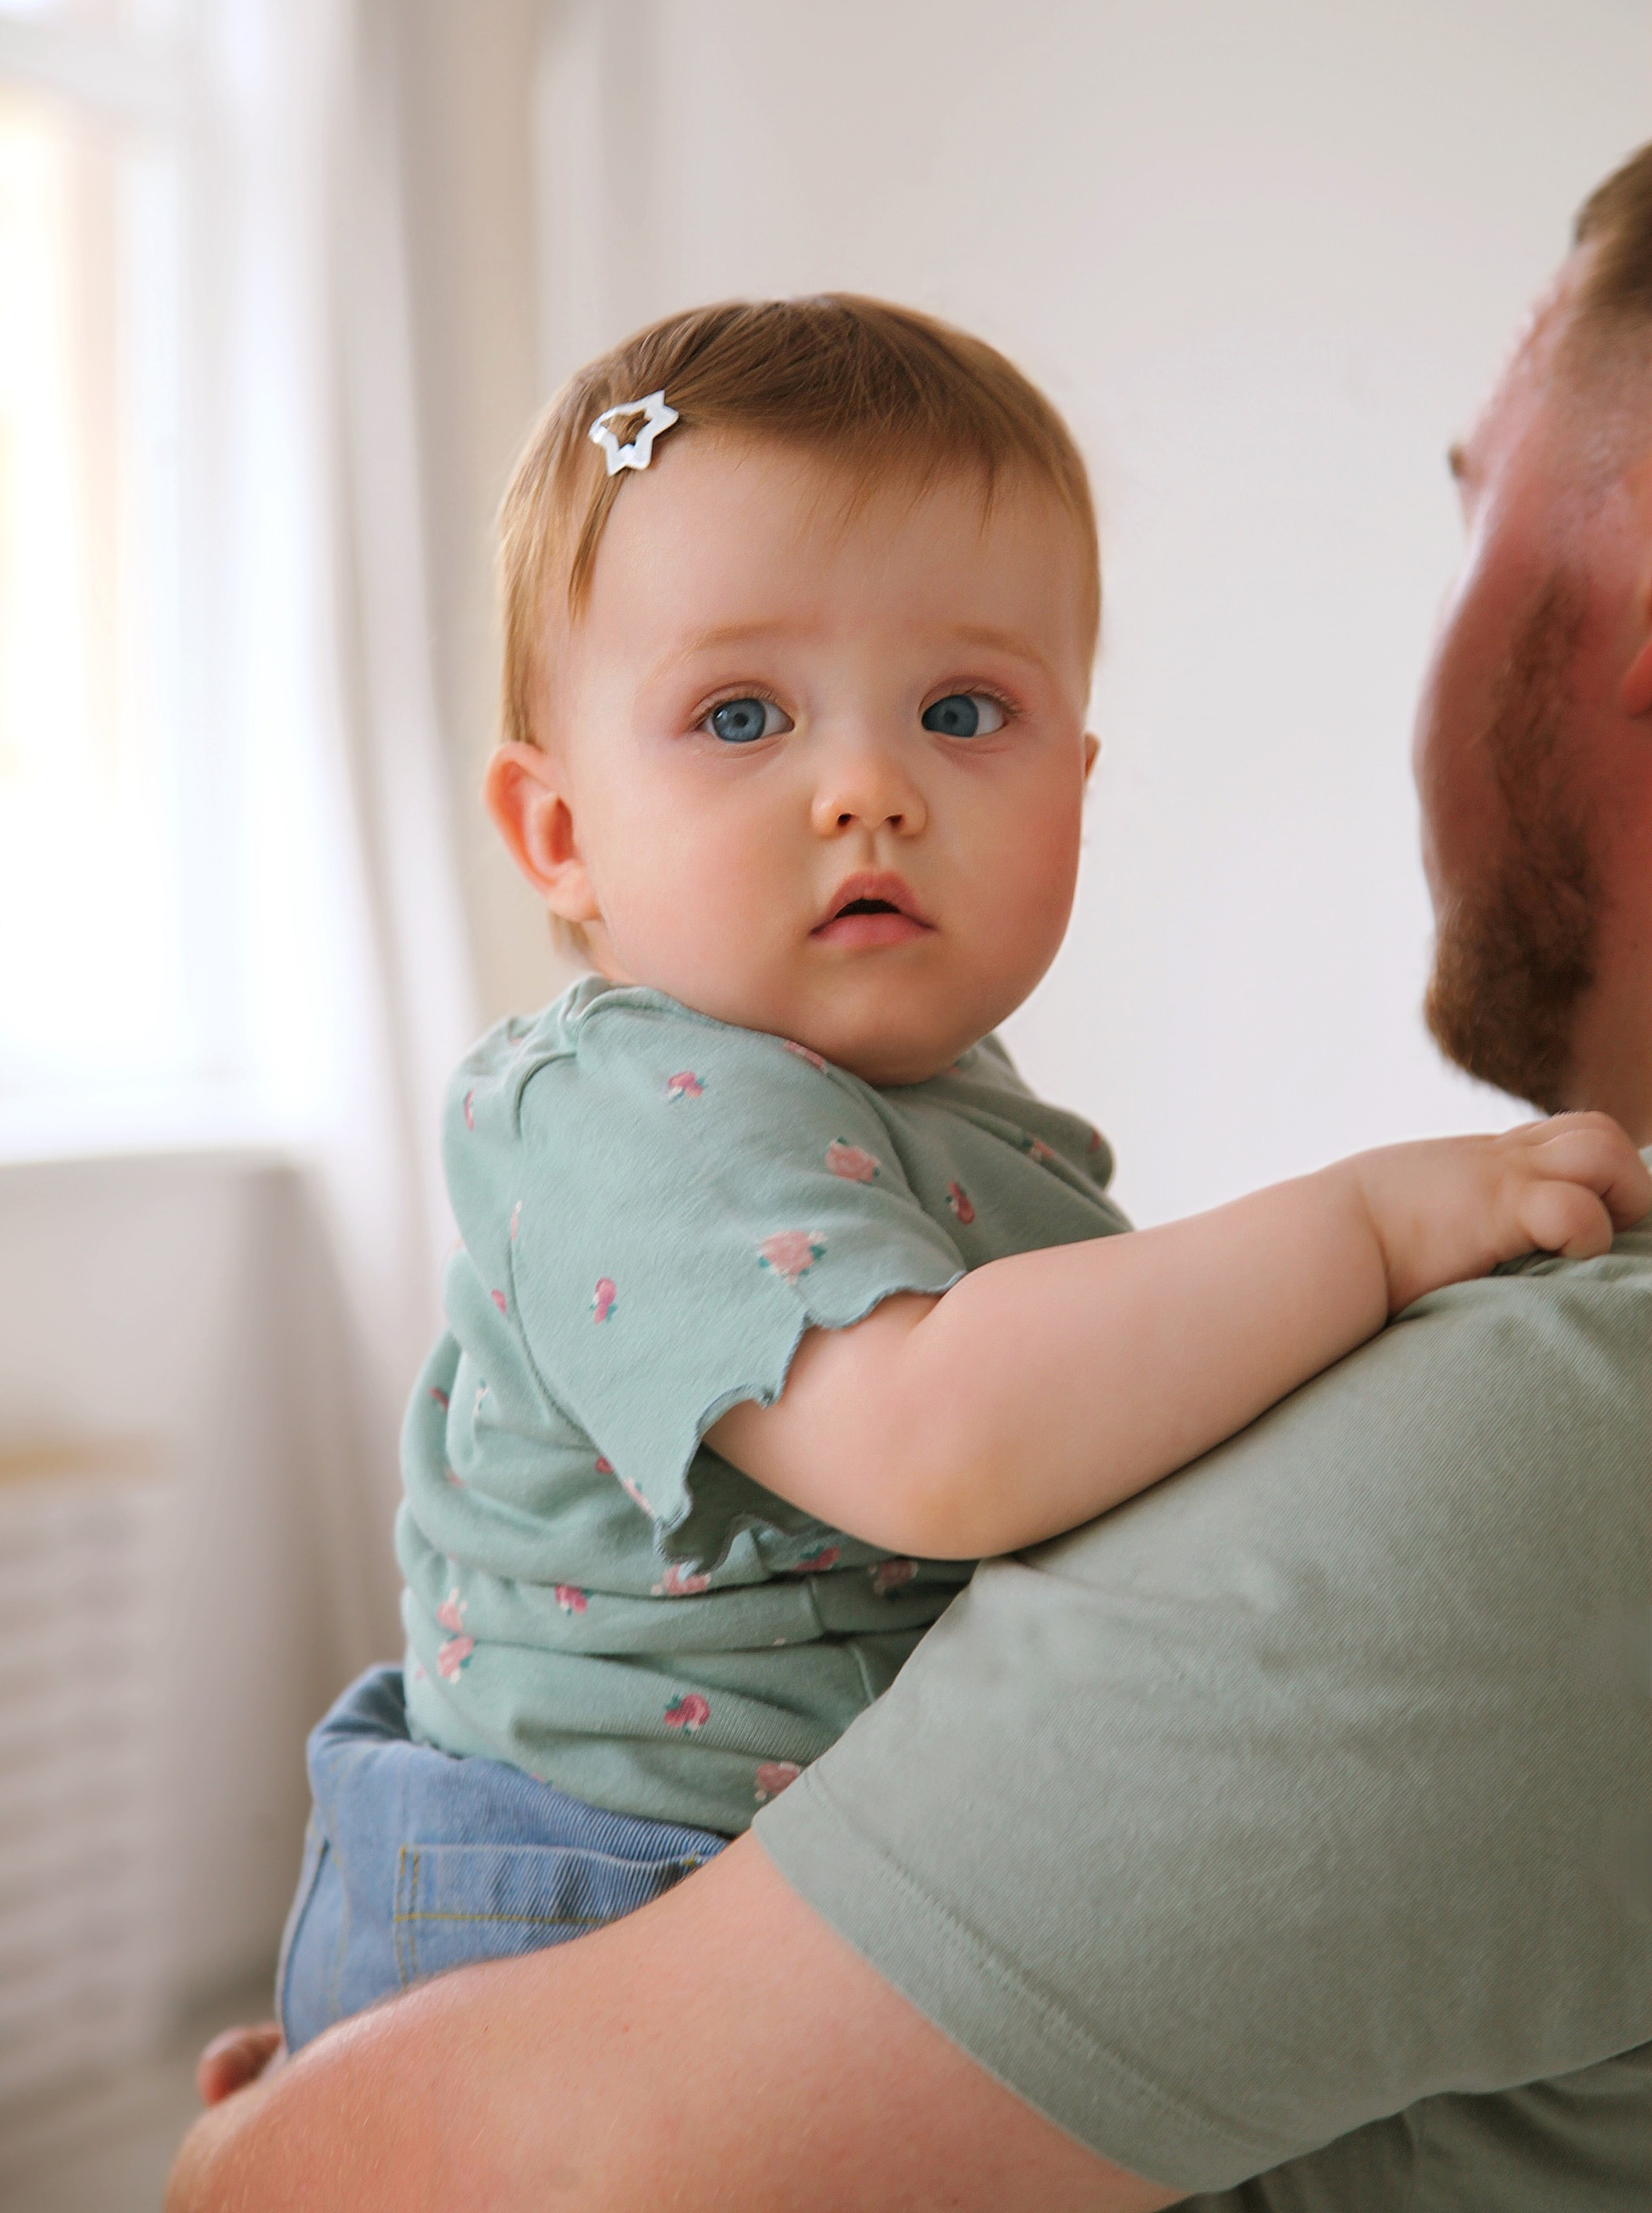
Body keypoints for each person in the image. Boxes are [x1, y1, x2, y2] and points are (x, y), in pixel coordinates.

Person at [169, 147, 1652, 2210]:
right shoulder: (613, 1102)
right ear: (557, 834)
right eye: (741, 713)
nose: (866, 782)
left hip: (770, 1902)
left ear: (1077, 782)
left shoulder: (972, 1127)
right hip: (583, 1907)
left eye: (965, 709)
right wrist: (1375, 1227)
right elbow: (943, 1446)